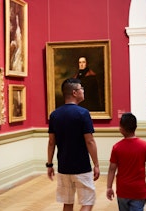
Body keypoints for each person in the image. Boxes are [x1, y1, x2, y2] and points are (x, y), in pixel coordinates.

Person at [47, 78, 100, 211]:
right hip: (81, 166)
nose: (83, 91)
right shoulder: (83, 113)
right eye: (81, 88)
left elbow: (51, 142)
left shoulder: (54, 115)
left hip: (63, 166)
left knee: (67, 203)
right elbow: (90, 141)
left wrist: (49, 164)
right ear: (75, 92)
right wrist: (96, 164)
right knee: (88, 201)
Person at [106, 112, 146, 211]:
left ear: (121, 128)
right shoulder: (144, 145)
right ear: (136, 127)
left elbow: (112, 169)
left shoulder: (117, 147)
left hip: (122, 191)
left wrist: (109, 187)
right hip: (138, 190)